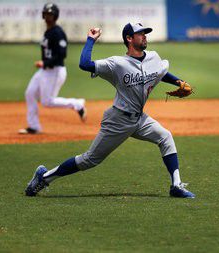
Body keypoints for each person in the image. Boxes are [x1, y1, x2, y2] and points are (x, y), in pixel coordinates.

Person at [25, 23, 195, 198]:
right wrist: (91, 40)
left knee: (165, 136)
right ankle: (44, 177)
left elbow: (158, 72)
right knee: (89, 160)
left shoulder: (153, 57)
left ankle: (176, 185)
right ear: (129, 38)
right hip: (118, 120)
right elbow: (85, 64)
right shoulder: (116, 64)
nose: (144, 36)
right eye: (140, 34)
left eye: (145, 33)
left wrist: (178, 82)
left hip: (139, 119)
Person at [19, 3, 86, 134]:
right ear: (43, 15)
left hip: (55, 71)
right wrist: (45, 64)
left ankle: (77, 104)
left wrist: (45, 63)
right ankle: (34, 126)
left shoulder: (58, 33)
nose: (48, 17)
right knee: (30, 93)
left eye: (51, 14)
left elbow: (62, 54)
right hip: (44, 70)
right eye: (46, 14)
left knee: (47, 102)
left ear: (55, 16)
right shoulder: (48, 31)